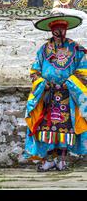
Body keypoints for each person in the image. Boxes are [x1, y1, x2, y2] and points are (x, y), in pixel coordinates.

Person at [24, 12, 87, 171]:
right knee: (46, 125)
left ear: (66, 29)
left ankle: (62, 158)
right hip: (48, 94)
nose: (59, 32)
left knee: (66, 126)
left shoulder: (76, 48)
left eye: (62, 28)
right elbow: (34, 70)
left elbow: (84, 70)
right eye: (56, 29)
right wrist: (41, 83)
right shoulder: (44, 50)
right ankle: (49, 158)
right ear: (51, 30)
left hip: (68, 95)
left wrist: (71, 82)